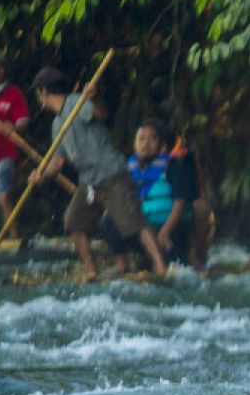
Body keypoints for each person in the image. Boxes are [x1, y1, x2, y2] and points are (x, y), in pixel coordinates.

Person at [29, 67, 167, 279]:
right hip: (89, 181)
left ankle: (160, 266)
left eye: (38, 94)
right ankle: (91, 270)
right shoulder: (57, 124)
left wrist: (93, 98)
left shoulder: (76, 101)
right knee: (74, 222)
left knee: (132, 221)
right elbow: (58, 161)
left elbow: (101, 112)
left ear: (43, 92)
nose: (39, 98)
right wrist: (41, 175)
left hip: (111, 173)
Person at [106, 119, 198, 271]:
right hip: (141, 230)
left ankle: (169, 259)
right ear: (135, 145)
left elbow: (179, 203)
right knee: (109, 220)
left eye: (152, 139)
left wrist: (164, 232)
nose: (146, 144)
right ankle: (122, 264)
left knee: (173, 262)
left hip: (169, 230)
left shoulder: (174, 166)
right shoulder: (127, 169)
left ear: (162, 146)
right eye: (141, 139)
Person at [0, 50, 30, 237]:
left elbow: (23, 120)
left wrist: (14, 127)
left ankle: (14, 237)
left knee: (4, 195)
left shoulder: (14, 94)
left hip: (5, 154)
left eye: (0, 66)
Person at [169, 134, 215, 270]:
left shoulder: (188, 160)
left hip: (189, 211)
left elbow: (197, 193)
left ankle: (198, 255)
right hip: (169, 214)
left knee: (201, 209)